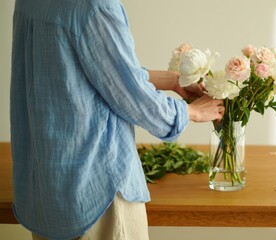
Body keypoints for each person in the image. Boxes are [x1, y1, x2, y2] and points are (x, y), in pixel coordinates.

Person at [10, 0, 224, 239]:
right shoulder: (94, 6)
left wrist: (171, 79)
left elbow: (82, 71)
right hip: (98, 189)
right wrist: (190, 112)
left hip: (47, 187)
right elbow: (130, 96)